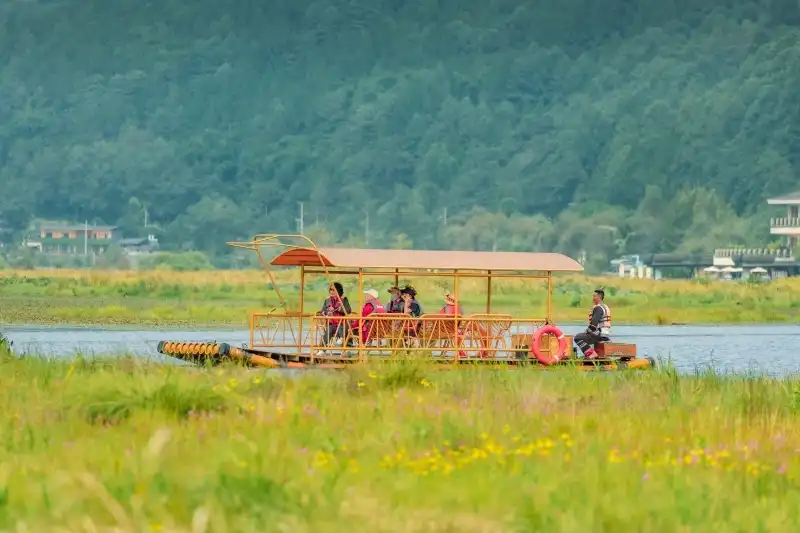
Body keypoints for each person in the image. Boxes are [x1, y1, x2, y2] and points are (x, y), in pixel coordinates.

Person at [574, 288, 612, 359]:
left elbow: (593, 326)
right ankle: (590, 353)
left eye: (594, 296)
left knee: (578, 337)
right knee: (586, 336)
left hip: (599, 334)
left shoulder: (598, 308)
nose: (593, 298)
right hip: (605, 334)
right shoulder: (605, 306)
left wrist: (585, 332)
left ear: (599, 297)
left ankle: (591, 354)